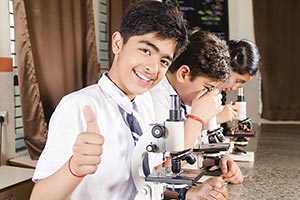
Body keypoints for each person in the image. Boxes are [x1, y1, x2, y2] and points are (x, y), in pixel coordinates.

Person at [30, 1, 227, 200]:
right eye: (145, 50)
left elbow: (144, 181)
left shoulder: (145, 104)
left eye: (164, 61)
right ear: (117, 43)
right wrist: (74, 169)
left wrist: (192, 193)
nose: (152, 68)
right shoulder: (78, 107)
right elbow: (38, 197)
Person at [149, 30, 243, 184]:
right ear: (184, 73)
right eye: (207, 87)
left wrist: (218, 163)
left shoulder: (183, 97)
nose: (209, 95)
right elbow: (161, 172)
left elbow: (191, 151)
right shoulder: (155, 99)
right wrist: (196, 119)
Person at [216, 39, 261, 128]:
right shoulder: (198, 92)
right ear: (226, 67)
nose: (234, 88)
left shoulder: (217, 95)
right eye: (237, 81)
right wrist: (217, 118)